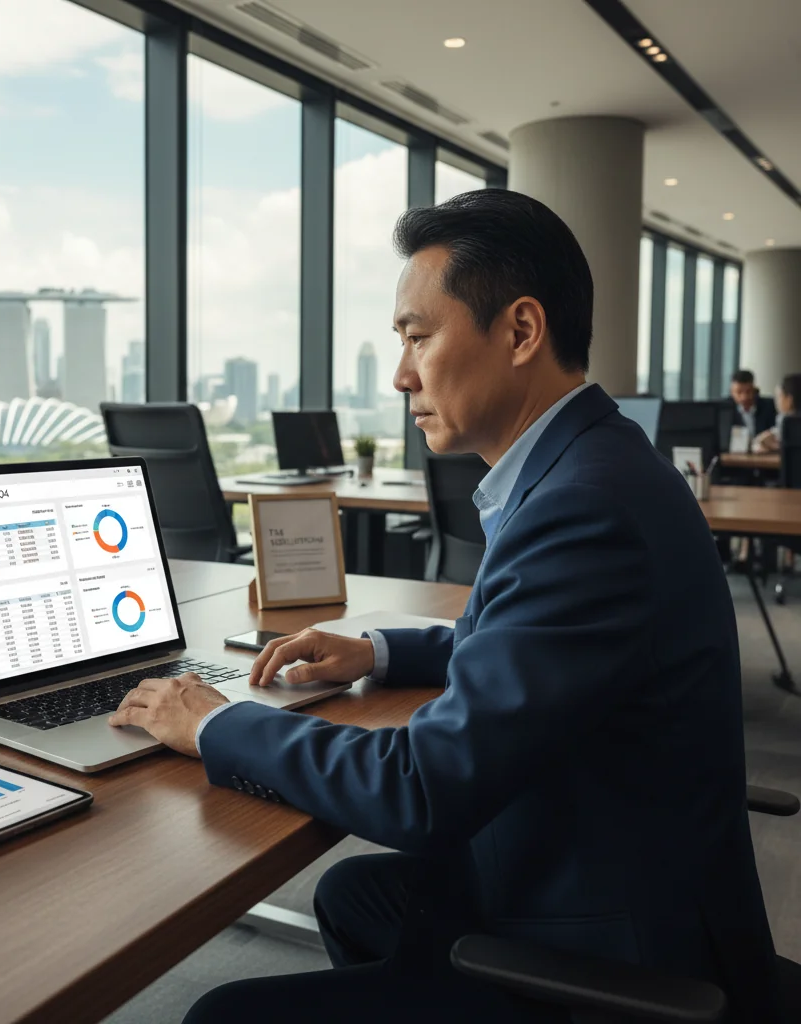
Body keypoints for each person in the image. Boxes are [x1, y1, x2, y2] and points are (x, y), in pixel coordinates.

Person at [109, 190, 780, 1023]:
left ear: (521, 331)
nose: (400, 375)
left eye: (418, 337)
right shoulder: (595, 461)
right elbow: (528, 639)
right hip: (617, 850)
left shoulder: (585, 507)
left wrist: (212, 721)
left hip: (617, 942)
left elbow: (419, 790)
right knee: (357, 895)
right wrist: (380, 653)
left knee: (222, 1014)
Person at [753, 372, 801, 452]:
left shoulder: (788, 421)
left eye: (778, 396)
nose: (776, 402)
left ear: (789, 400)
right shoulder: (782, 418)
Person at [730, 368, 777, 440]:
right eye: (739, 392)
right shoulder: (725, 410)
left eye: (748, 391)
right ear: (732, 392)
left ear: (754, 390)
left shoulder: (769, 406)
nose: (744, 397)